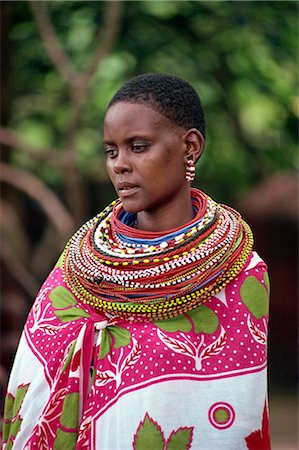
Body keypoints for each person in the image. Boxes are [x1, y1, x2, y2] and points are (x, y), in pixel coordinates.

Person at [3, 74, 271, 449]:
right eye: (111, 151)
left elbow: (233, 416)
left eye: (138, 146)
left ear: (190, 146)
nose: (119, 165)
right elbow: (33, 383)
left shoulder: (239, 273)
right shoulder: (79, 267)